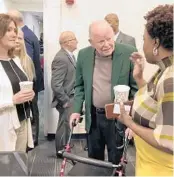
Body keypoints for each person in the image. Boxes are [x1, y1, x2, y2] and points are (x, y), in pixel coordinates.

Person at [70, 20, 138, 165]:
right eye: (100, 41)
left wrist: (133, 121)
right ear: (91, 42)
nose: (106, 44)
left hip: (117, 117)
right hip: (94, 116)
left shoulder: (128, 52)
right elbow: (79, 86)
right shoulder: (84, 55)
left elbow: (136, 89)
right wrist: (76, 110)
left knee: (116, 161)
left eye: (109, 39)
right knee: (94, 161)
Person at [117, 4, 173, 176]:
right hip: (149, 163)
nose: (143, 46)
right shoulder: (164, 68)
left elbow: (168, 142)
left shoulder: (170, 79)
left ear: (155, 42)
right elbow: (155, 102)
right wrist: (140, 78)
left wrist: (130, 123)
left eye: (144, 40)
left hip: (161, 169)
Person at [8, 10, 44, 146]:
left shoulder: (26, 40)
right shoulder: (31, 35)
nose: (15, 39)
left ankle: (33, 139)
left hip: (27, 89)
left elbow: (29, 64)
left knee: (31, 113)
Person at [0, 14, 34, 152]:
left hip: (22, 121)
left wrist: (29, 94)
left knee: (18, 167)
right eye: (9, 30)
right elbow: (12, 97)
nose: (14, 34)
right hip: (4, 125)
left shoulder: (15, 60)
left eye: (15, 30)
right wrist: (12, 100)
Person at [51, 31, 78, 156]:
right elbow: (56, 84)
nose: (77, 41)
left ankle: (65, 146)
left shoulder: (70, 55)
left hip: (71, 97)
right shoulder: (61, 58)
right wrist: (65, 100)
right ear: (67, 42)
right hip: (65, 99)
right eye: (74, 39)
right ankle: (61, 151)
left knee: (67, 125)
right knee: (63, 125)